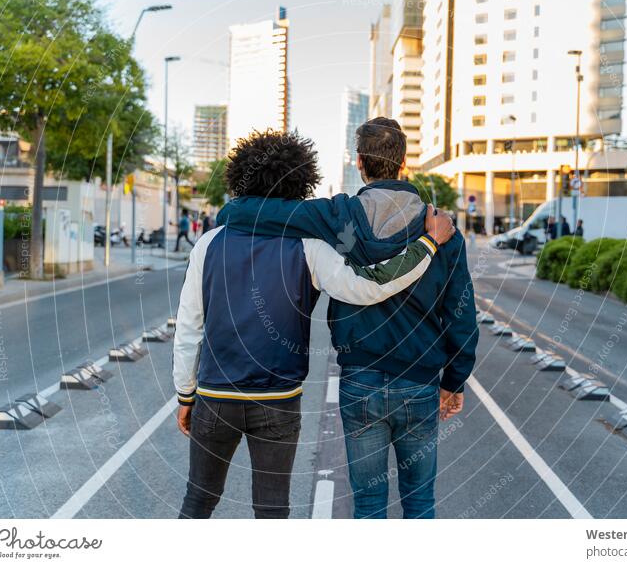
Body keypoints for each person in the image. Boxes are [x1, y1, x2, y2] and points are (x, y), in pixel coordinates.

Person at [173, 129, 456, 520]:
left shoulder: (209, 243)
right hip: (277, 400)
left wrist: (185, 395)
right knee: (272, 511)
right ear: (299, 182)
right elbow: (367, 288)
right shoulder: (309, 246)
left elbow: (188, 328)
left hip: (214, 397)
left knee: (197, 502)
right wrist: (427, 245)